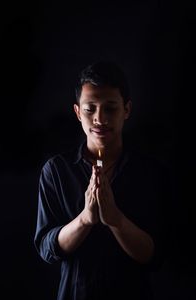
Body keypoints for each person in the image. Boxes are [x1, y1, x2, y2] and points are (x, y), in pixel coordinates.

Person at [34, 61, 170, 300]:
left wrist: (116, 219)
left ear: (126, 110)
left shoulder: (149, 172)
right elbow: (47, 249)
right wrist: (85, 219)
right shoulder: (55, 171)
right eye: (90, 109)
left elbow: (155, 255)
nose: (100, 118)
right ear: (77, 112)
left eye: (110, 108)